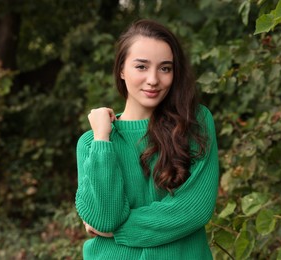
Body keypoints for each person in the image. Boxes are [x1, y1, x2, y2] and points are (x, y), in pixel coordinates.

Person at [75, 19, 219, 260]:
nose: (153, 79)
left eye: (165, 68)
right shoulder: (92, 143)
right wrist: (102, 139)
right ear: (121, 70)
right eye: (141, 67)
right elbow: (104, 218)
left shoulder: (195, 123)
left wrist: (119, 231)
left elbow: (195, 210)